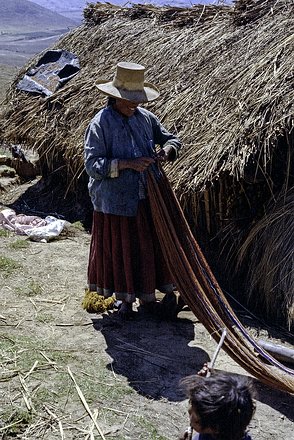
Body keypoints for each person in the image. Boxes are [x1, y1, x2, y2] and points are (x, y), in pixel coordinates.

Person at [84, 61, 181, 319]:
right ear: (114, 98)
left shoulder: (146, 119)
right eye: (128, 101)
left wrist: (167, 151)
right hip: (114, 201)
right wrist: (128, 164)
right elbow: (93, 166)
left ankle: (148, 298)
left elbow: (172, 139)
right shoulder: (100, 124)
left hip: (146, 198)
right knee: (121, 250)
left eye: (136, 101)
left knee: (145, 248)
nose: (133, 106)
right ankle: (124, 301)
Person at [179, 372, 256, 440]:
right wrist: (200, 386)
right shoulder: (233, 427)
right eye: (191, 403)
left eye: (196, 422)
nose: (191, 421)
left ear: (216, 428)